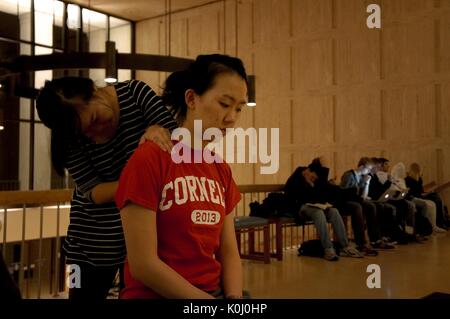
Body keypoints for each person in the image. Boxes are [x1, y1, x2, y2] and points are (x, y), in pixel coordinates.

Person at [115, 54, 246, 299]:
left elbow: (229, 252)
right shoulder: (150, 159)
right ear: (191, 98)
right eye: (224, 104)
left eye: (239, 108)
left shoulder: (220, 169)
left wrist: (234, 299)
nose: (232, 118)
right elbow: (143, 265)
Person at [36, 77, 177, 300]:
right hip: (87, 241)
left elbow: (174, 138)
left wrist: (156, 129)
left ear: (93, 90)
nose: (95, 131)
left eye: (94, 118)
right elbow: (95, 192)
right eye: (85, 133)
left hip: (142, 233)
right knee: (79, 295)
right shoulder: (68, 138)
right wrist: (140, 182)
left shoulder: (135, 93)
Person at [285, 160, 364, 261]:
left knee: (334, 211)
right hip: (299, 207)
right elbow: (291, 195)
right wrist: (308, 185)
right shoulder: (296, 177)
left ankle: (345, 246)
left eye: (314, 179)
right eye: (312, 177)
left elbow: (320, 194)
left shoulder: (314, 180)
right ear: (307, 171)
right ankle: (328, 248)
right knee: (318, 213)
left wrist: (323, 202)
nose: (313, 180)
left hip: (314, 205)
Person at [340, 157, 395, 250]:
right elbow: (342, 194)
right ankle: (361, 243)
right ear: (361, 167)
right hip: (345, 202)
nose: (369, 171)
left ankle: (375, 240)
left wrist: (367, 183)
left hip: (356, 201)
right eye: (368, 169)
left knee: (371, 206)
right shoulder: (349, 175)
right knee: (357, 207)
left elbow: (363, 196)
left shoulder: (362, 177)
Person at [405, 163, 447, 233]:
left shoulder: (419, 179)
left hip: (420, 195)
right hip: (414, 197)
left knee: (434, 199)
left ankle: (436, 224)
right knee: (430, 201)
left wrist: (426, 193)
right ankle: (431, 224)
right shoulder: (407, 180)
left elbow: (421, 191)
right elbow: (412, 193)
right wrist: (424, 194)